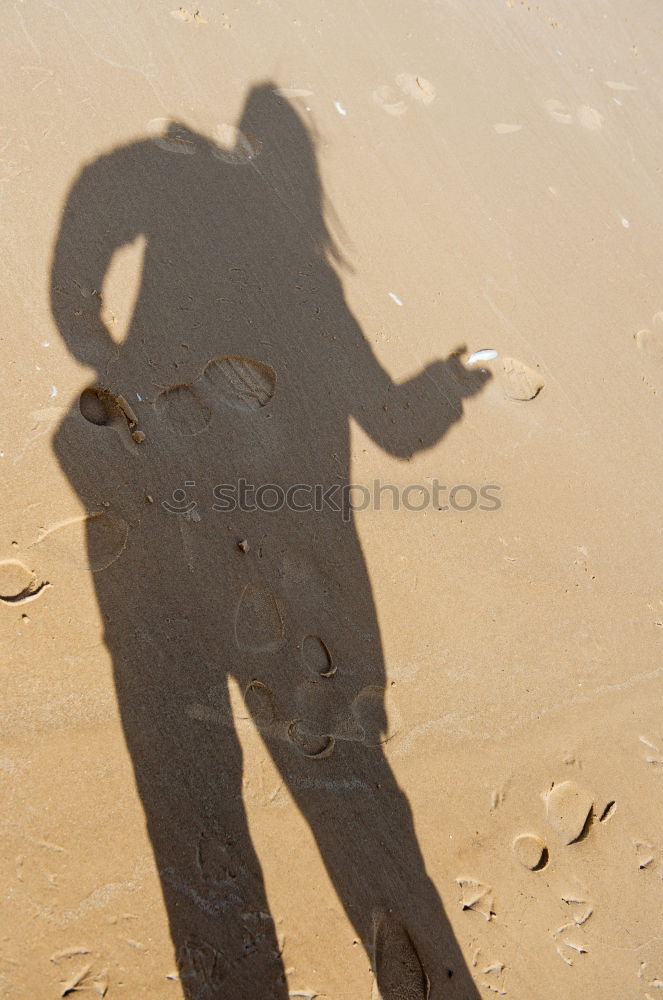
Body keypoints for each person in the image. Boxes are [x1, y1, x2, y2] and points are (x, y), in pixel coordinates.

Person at [51, 82, 487, 998]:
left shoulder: (184, 241)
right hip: (302, 598)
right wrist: (453, 382)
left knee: (193, 815)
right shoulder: (306, 290)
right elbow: (399, 427)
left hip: (157, 564)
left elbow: (96, 204)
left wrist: (93, 338)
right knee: (355, 808)